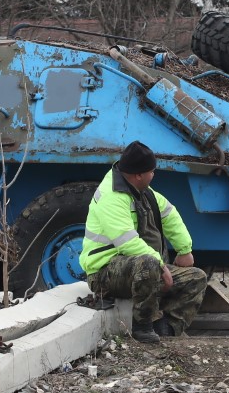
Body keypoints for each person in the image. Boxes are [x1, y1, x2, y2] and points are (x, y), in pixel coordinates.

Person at [79, 140, 207, 345]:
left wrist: (185, 250)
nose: (154, 175)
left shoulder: (143, 192)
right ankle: (143, 327)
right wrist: (161, 264)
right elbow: (127, 243)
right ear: (139, 175)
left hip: (136, 268)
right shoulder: (111, 197)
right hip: (105, 273)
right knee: (148, 264)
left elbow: (169, 214)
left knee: (196, 278)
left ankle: (165, 329)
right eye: (152, 171)